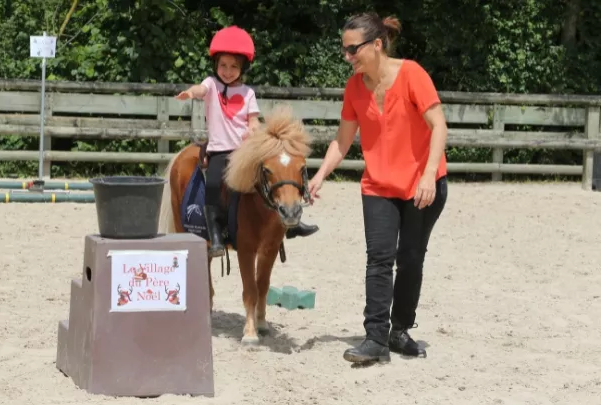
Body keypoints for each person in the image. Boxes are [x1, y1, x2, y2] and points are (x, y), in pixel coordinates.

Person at [307, 12, 449, 363]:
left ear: (377, 44)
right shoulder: (354, 88)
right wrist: (320, 173)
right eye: (345, 50)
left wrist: (429, 174)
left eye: (353, 49)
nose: (347, 57)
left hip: (422, 186)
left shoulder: (412, 74)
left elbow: (439, 126)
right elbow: (342, 141)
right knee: (379, 258)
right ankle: (375, 339)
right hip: (379, 185)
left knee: (411, 259)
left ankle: (399, 330)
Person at [176, 25, 319, 258]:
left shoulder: (247, 93)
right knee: (213, 186)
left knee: (279, 174)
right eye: (223, 65)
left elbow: (253, 121)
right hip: (220, 152)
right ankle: (215, 238)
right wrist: (190, 93)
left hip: (244, 152)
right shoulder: (211, 85)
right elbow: (200, 89)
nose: (228, 71)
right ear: (216, 66)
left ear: (242, 68)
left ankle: (292, 221)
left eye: (234, 66)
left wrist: (254, 133)